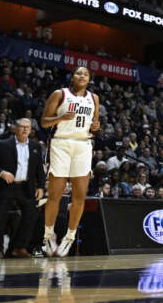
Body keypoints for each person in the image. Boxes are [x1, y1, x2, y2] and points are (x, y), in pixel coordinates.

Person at [40, 66, 100, 257]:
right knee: (54, 196)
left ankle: (69, 237)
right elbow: (44, 122)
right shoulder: (60, 94)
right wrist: (60, 117)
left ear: (89, 79)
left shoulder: (94, 98)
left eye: (86, 74)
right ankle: (48, 235)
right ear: (72, 77)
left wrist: (96, 127)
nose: (82, 76)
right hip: (61, 144)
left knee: (80, 196)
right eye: (78, 73)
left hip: (83, 145)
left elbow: (94, 127)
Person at [0, 119, 46, 258]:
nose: (25, 129)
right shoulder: (3, 144)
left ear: (30, 129)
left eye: (27, 127)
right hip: (6, 187)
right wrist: (2, 172)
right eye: (22, 127)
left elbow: (39, 170)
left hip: (26, 187)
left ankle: (20, 247)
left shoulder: (35, 146)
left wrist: (41, 187)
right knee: (0, 218)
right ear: (15, 128)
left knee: (31, 216)